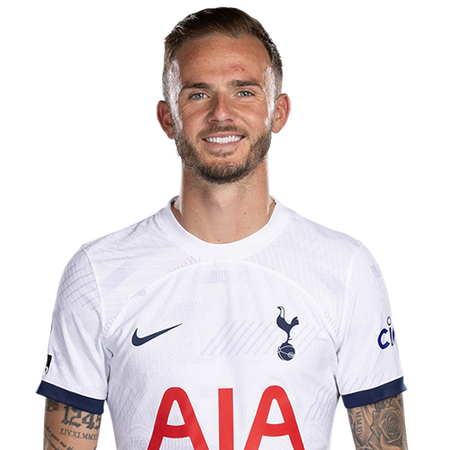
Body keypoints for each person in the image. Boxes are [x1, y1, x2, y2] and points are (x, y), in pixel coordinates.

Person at [34, 5, 410, 449]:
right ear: (166, 119)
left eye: (244, 92)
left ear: (280, 113)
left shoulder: (347, 266)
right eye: (198, 94)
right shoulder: (96, 270)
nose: (221, 113)